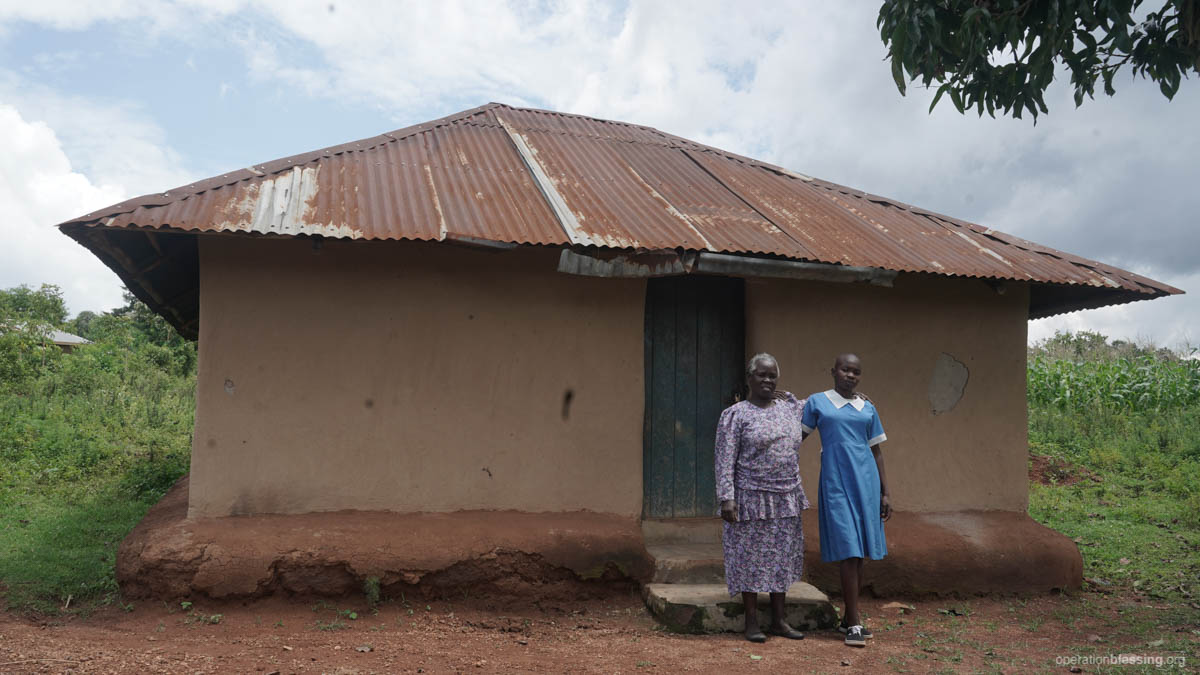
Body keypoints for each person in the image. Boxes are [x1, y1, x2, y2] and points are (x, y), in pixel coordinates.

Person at [714, 353, 809, 643]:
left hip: (786, 496)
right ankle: (752, 621)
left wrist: (857, 397)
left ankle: (780, 620)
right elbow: (724, 458)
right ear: (749, 379)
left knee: (781, 556)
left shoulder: (790, 409)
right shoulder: (736, 414)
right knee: (748, 558)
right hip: (749, 497)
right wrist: (727, 498)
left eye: (772, 376)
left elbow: (825, 405)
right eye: (761, 375)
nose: (767, 380)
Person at [800, 353, 890, 648]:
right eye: (845, 369)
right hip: (836, 482)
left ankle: (847, 617)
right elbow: (795, 434)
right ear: (833, 371)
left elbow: (876, 451)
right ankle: (854, 622)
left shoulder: (868, 407)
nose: (850, 375)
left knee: (859, 552)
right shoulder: (817, 402)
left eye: (856, 372)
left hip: (866, 483)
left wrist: (885, 492)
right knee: (848, 549)